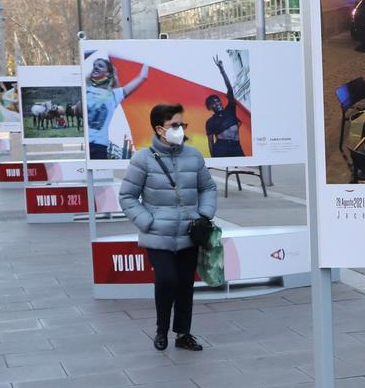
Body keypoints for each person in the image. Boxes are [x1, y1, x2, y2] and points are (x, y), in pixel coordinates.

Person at [117, 102, 216, 352]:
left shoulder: (193, 156)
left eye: (183, 124)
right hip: (157, 235)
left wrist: (203, 215)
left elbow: (208, 188)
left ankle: (183, 334)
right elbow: (128, 196)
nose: (181, 128)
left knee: (185, 284)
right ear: (160, 129)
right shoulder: (143, 159)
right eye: (175, 125)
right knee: (166, 280)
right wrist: (147, 221)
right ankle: (161, 330)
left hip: (189, 233)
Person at [84, 53, 151, 159]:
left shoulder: (114, 95)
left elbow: (142, 77)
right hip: (83, 144)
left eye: (100, 65)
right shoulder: (85, 89)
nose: (96, 67)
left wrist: (148, 57)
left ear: (108, 73)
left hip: (98, 146)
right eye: (94, 65)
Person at [204, 55, 246, 159]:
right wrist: (213, 158)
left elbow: (230, 90)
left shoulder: (230, 109)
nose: (217, 102)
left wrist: (222, 70)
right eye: (214, 102)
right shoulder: (210, 121)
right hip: (221, 147)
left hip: (236, 146)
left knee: (243, 168)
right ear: (210, 107)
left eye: (218, 100)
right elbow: (210, 141)